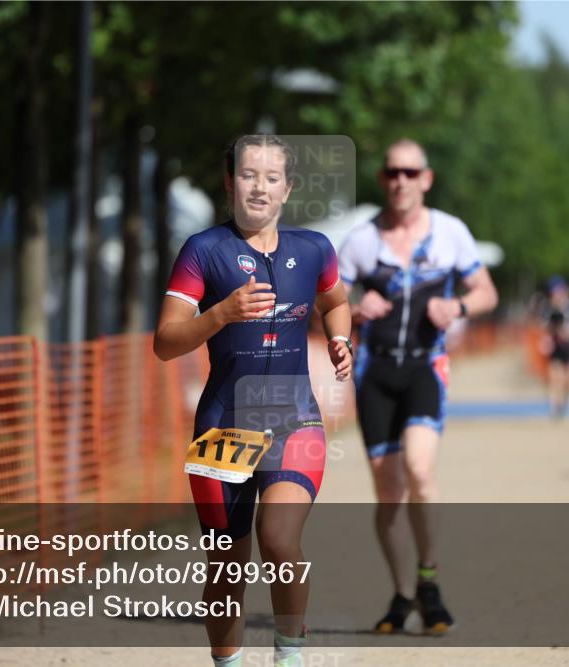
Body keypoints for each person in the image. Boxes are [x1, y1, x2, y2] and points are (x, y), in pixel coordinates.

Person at [153, 135, 353, 667]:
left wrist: (340, 338)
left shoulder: (314, 249)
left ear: (287, 189)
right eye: (247, 174)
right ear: (228, 182)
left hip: (296, 419)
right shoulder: (203, 251)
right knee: (226, 566)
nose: (258, 186)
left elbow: (336, 300)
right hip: (225, 424)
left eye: (270, 177)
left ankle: (290, 655)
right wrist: (220, 314)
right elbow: (165, 343)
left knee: (279, 540)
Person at [336, 139, 498, 635]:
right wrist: (356, 308)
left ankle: (429, 579)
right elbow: (328, 301)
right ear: (383, 179)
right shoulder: (362, 240)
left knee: (420, 471)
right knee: (388, 494)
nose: (400, 181)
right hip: (375, 371)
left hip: (426, 367)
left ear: (426, 178)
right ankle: (403, 592)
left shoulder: (451, 234)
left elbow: (485, 290)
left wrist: (458, 308)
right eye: (392, 173)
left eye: (411, 172)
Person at [541, 277, 569, 418]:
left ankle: (564, 401)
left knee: (568, 380)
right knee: (555, 377)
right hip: (556, 348)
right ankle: (555, 406)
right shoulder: (548, 308)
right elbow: (545, 327)